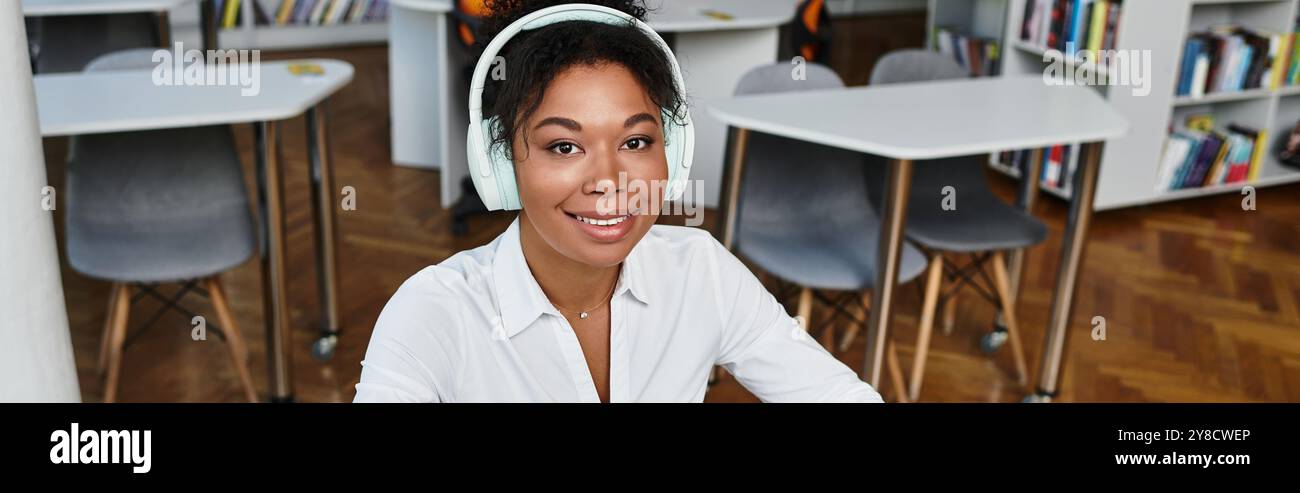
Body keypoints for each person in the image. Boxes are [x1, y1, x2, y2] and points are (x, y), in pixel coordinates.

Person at [354, 0, 882, 403]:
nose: (609, 181)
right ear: (499, 163)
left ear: (671, 151)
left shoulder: (701, 271)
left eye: (635, 142)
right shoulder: (432, 314)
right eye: (564, 146)